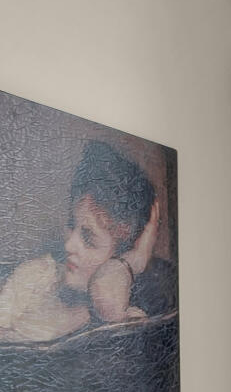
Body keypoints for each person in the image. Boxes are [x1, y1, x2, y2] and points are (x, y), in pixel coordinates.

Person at [0, 141, 160, 342]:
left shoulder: (122, 310)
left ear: (119, 255)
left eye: (88, 238)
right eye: (71, 225)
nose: (68, 245)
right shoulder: (39, 274)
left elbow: (104, 294)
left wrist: (135, 258)